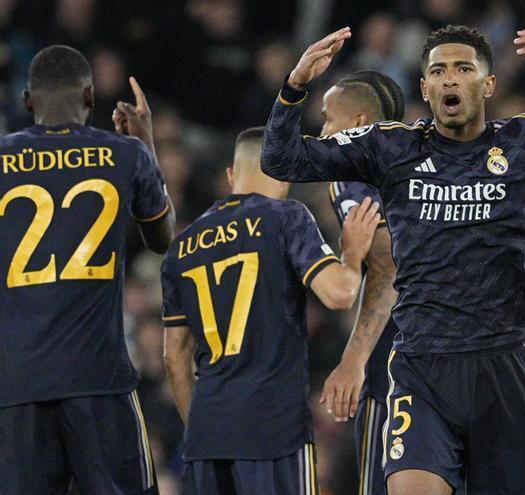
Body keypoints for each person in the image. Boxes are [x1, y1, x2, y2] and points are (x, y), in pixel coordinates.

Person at [262, 24, 525, 494]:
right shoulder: (392, 147)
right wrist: (295, 86)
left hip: (500, 365)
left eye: (464, 68)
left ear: (488, 84)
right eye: (438, 70)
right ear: (424, 87)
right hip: (422, 364)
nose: (450, 79)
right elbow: (281, 161)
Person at [161, 126, 380, 494]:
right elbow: (340, 294)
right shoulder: (286, 217)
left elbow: (173, 358)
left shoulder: (181, 247)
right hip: (272, 428)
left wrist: (197, 429)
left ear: (232, 175)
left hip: (206, 435)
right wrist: (353, 254)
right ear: (286, 173)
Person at [0, 45, 175, 494]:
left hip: (15, 385)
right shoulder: (125, 154)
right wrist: (147, 144)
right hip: (99, 379)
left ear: (27, 102)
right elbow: (162, 239)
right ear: (90, 98)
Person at [317, 70, 404, 495]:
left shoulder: (349, 175)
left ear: (357, 123)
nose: (322, 132)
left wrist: (353, 360)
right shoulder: (435, 156)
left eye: (327, 120)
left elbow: (387, 266)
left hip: (398, 354)